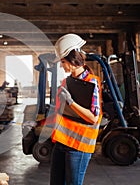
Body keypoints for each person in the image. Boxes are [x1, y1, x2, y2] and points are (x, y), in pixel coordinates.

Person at [50, 34, 102, 185]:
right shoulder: (67, 82)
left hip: (78, 146)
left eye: (63, 61)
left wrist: (71, 102)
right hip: (62, 142)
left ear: (73, 60)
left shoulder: (91, 82)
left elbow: (93, 117)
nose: (61, 65)